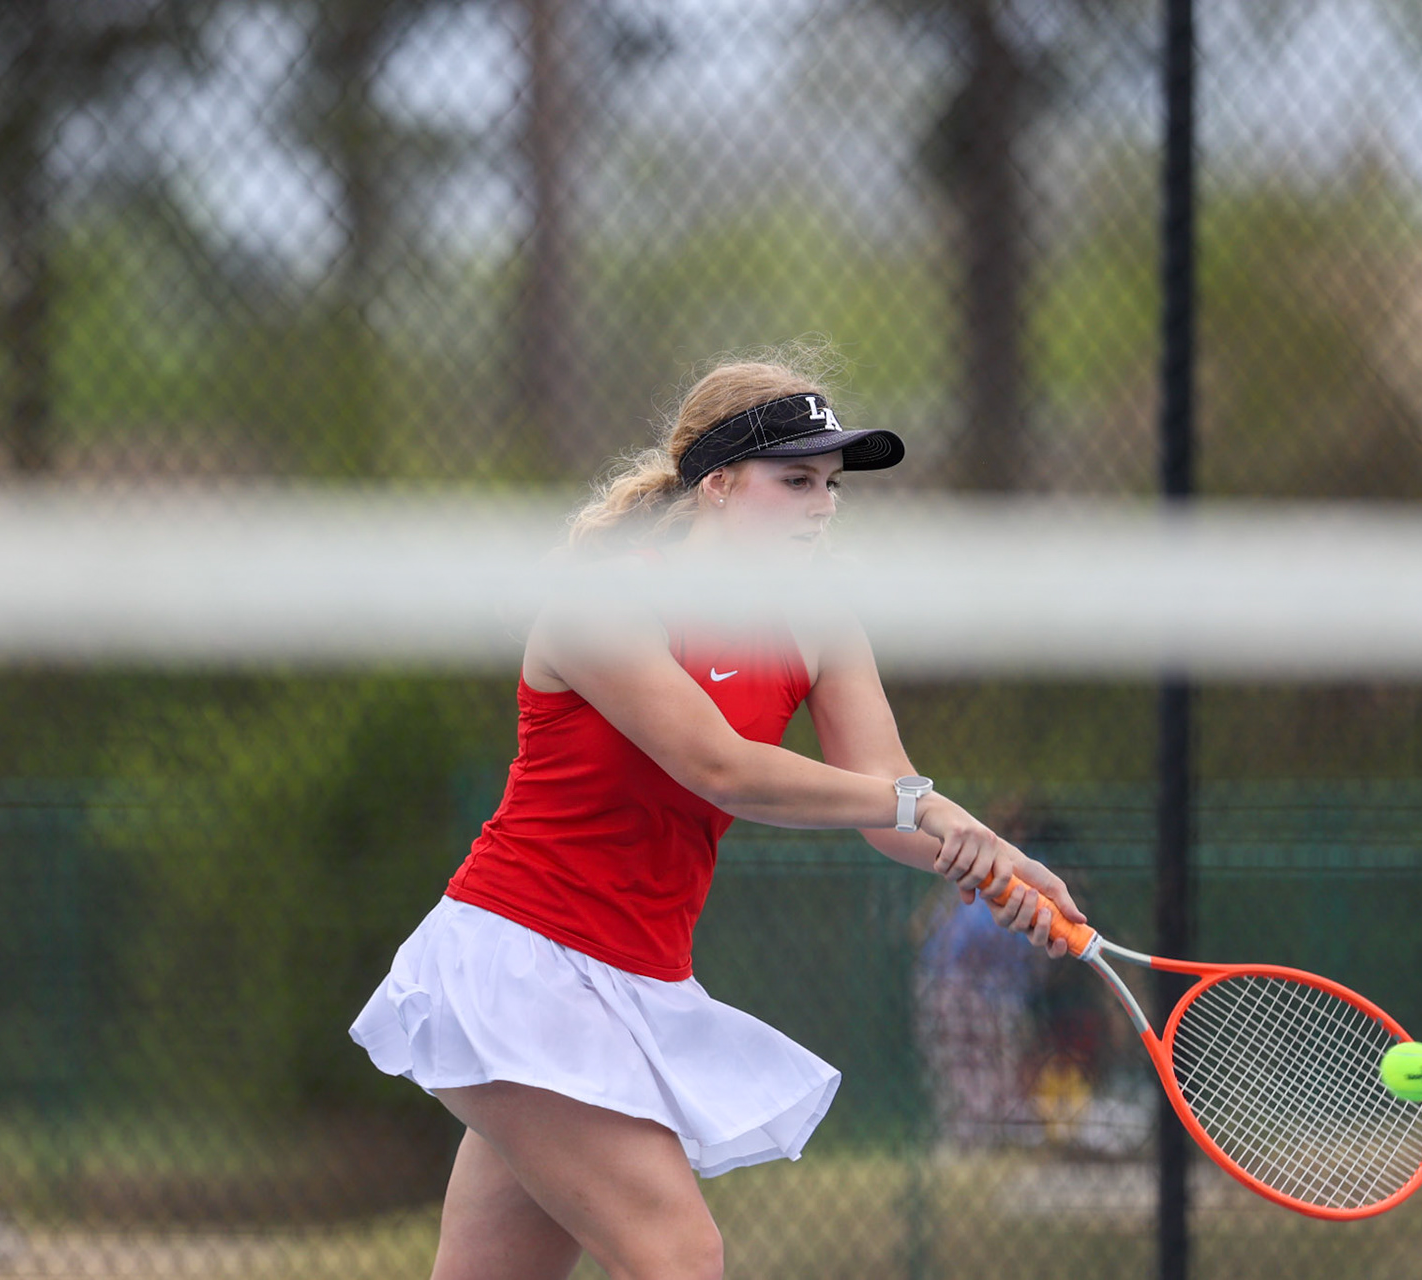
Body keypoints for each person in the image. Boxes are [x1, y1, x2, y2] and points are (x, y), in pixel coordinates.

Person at [350, 351, 1084, 1280]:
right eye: (795, 480)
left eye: (829, 485)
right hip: (520, 964)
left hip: (636, 975)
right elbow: (721, 768)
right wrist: (929, 809)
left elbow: (886, 799)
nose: (821, 506)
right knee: (681, 1256)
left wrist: (993, 861)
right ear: (720, 484)